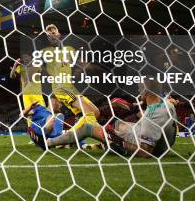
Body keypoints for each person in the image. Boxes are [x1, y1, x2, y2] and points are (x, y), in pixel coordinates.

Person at [31, 79, 177, 158]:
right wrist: (133, 107)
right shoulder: (164, 105)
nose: (138, 89)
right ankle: (106, 144)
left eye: (140, 86)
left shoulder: (154, 114)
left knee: (88, 127)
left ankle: (47, 142)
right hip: (155, 141)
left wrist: (116, 140)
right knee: (116, 123)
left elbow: (145, 152)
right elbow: (155, 123)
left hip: (152, 149)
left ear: (147, 89)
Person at [43, 24, 100, 128]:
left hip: (71, 88)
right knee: (89, 113)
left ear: (59, 34)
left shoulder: (69, 49)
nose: (51, 35)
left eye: (53, 32)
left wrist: (99, 69)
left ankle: (71, 136)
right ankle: (55, 136)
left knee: (95, 112)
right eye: (49, 34)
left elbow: (81, 63)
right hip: (60, 88)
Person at [10, 53, 44, 127]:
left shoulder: (37, 65)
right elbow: (12, 76)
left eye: (26, 56)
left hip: (37, 93)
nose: (24, 58)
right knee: (29, 113)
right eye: (23, 57)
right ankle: (31, 132)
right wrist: (15, 65)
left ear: (31, 57)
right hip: (26, 94)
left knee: (43, 111)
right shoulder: (20, 67)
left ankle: (44, 130)